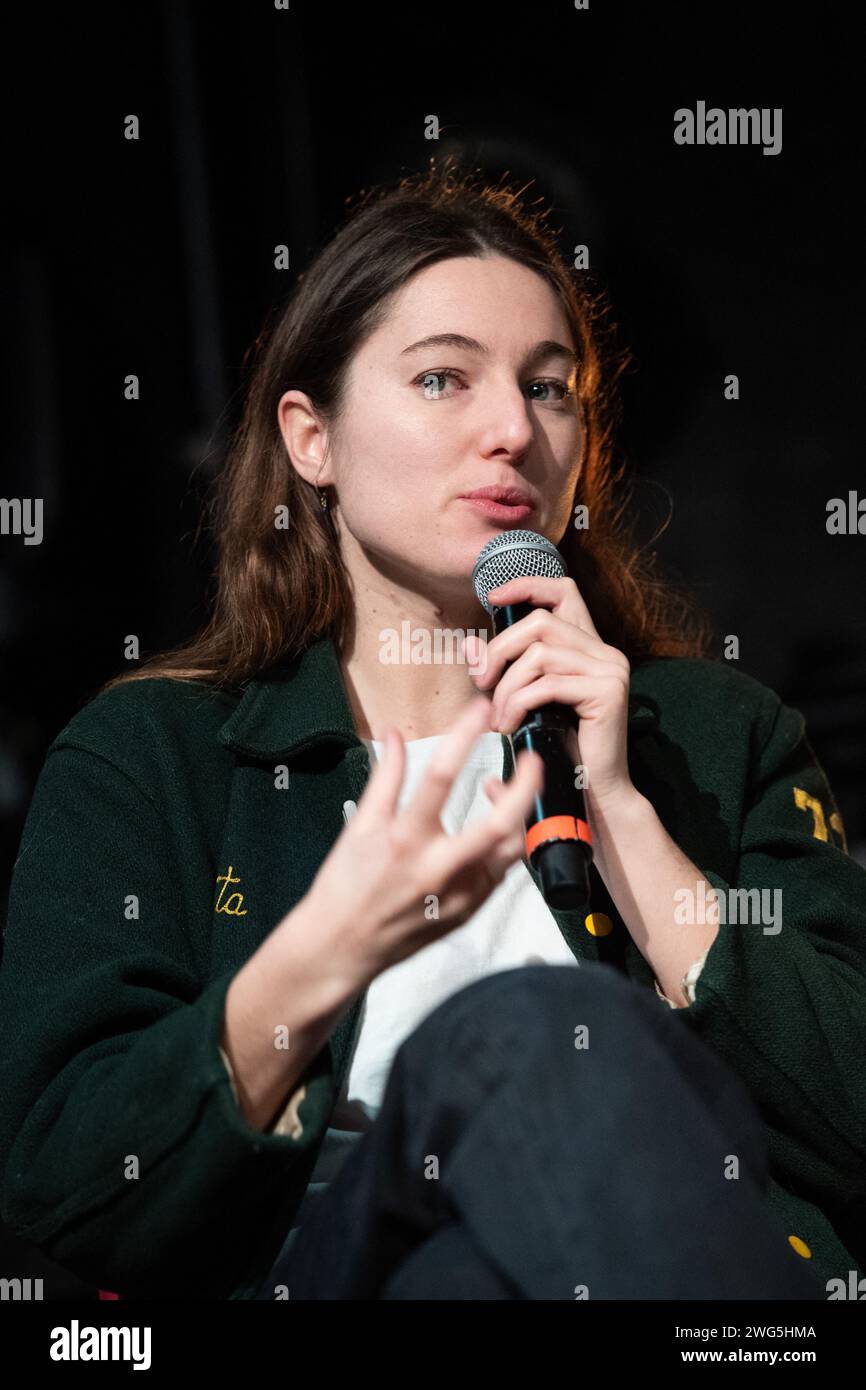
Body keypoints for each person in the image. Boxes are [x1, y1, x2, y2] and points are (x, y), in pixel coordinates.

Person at [1, 158, 863, 1301]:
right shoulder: (152, 758)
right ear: (311, 439)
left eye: (550, 387)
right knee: (531, 1031)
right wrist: (325, 949)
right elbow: (67, 1182)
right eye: (444, 379)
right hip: (312, 1264)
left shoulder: (713, 735)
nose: (513, 427)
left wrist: (626, 819)